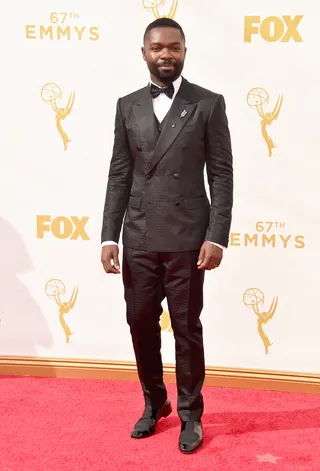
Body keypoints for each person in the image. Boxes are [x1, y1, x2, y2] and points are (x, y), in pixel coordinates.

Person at [101, 17, 233, 454]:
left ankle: (191, 413)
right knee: (139, 323)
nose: (166, 55)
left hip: (187, 239)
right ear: (144, 52)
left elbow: (221, 173)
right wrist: (108, 237)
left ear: (184, 51)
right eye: (158, 48)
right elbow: (120, 173)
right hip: (137, 234)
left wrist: (216, 236)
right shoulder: (128, 105)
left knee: (185, 327)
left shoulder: (208, 104)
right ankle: (155, 401)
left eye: (174, 47)